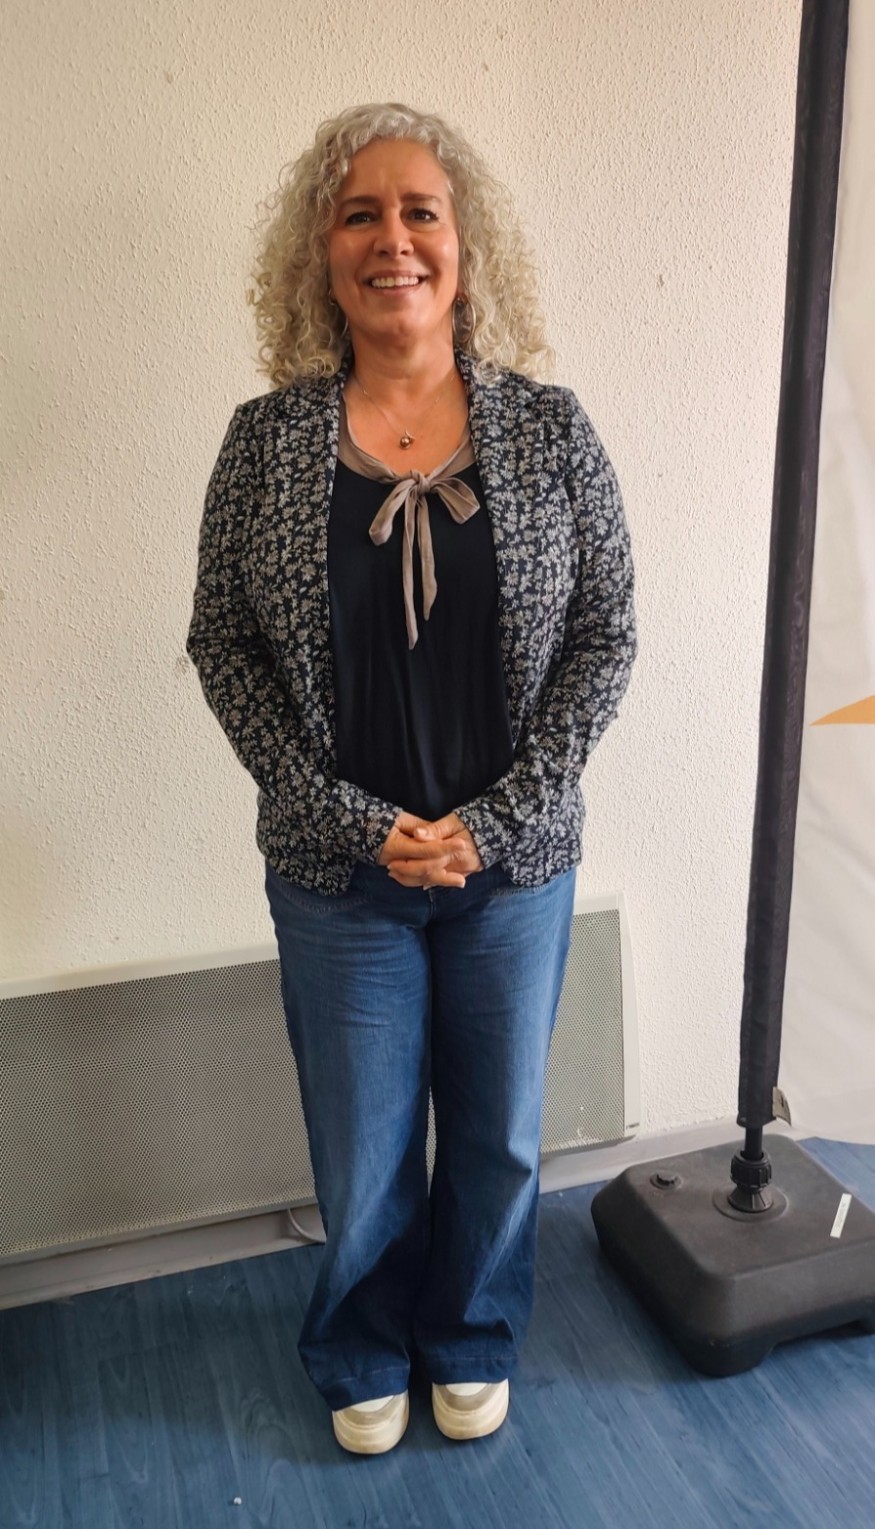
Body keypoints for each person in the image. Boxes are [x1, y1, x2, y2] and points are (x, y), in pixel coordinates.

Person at [186, 101, 636, 1456]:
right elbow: (223, 642)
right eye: (360, 214)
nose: (394, 239)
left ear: (464, 246)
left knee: (499, 1134)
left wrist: (495, 821)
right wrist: (350, 820)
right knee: (363, 1137)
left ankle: (472, 1331)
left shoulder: (550, 431)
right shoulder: (265, 443)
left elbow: (607, 632)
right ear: (320, 255)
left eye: (420, 211)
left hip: (514, 866)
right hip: (339, 875)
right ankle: (363, 1343)